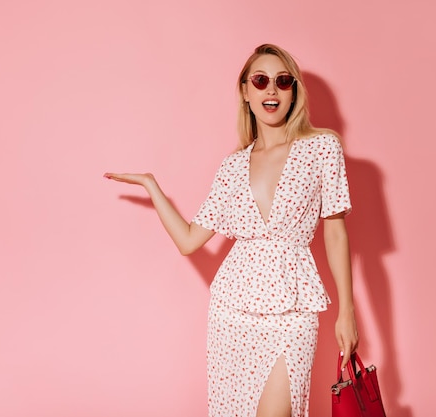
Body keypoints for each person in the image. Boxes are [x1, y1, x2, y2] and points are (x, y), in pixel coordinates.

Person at [104, 44, 359, 417]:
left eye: (282, 81)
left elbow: (335, 232)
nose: (271, 90)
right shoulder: (232, 167)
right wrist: (152, 186)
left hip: (294, 308)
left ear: (294, 92)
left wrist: (347, 310)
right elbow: (190, 241)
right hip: (233, 310)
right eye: (260, 81)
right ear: (245, 91)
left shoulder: (322, 147)